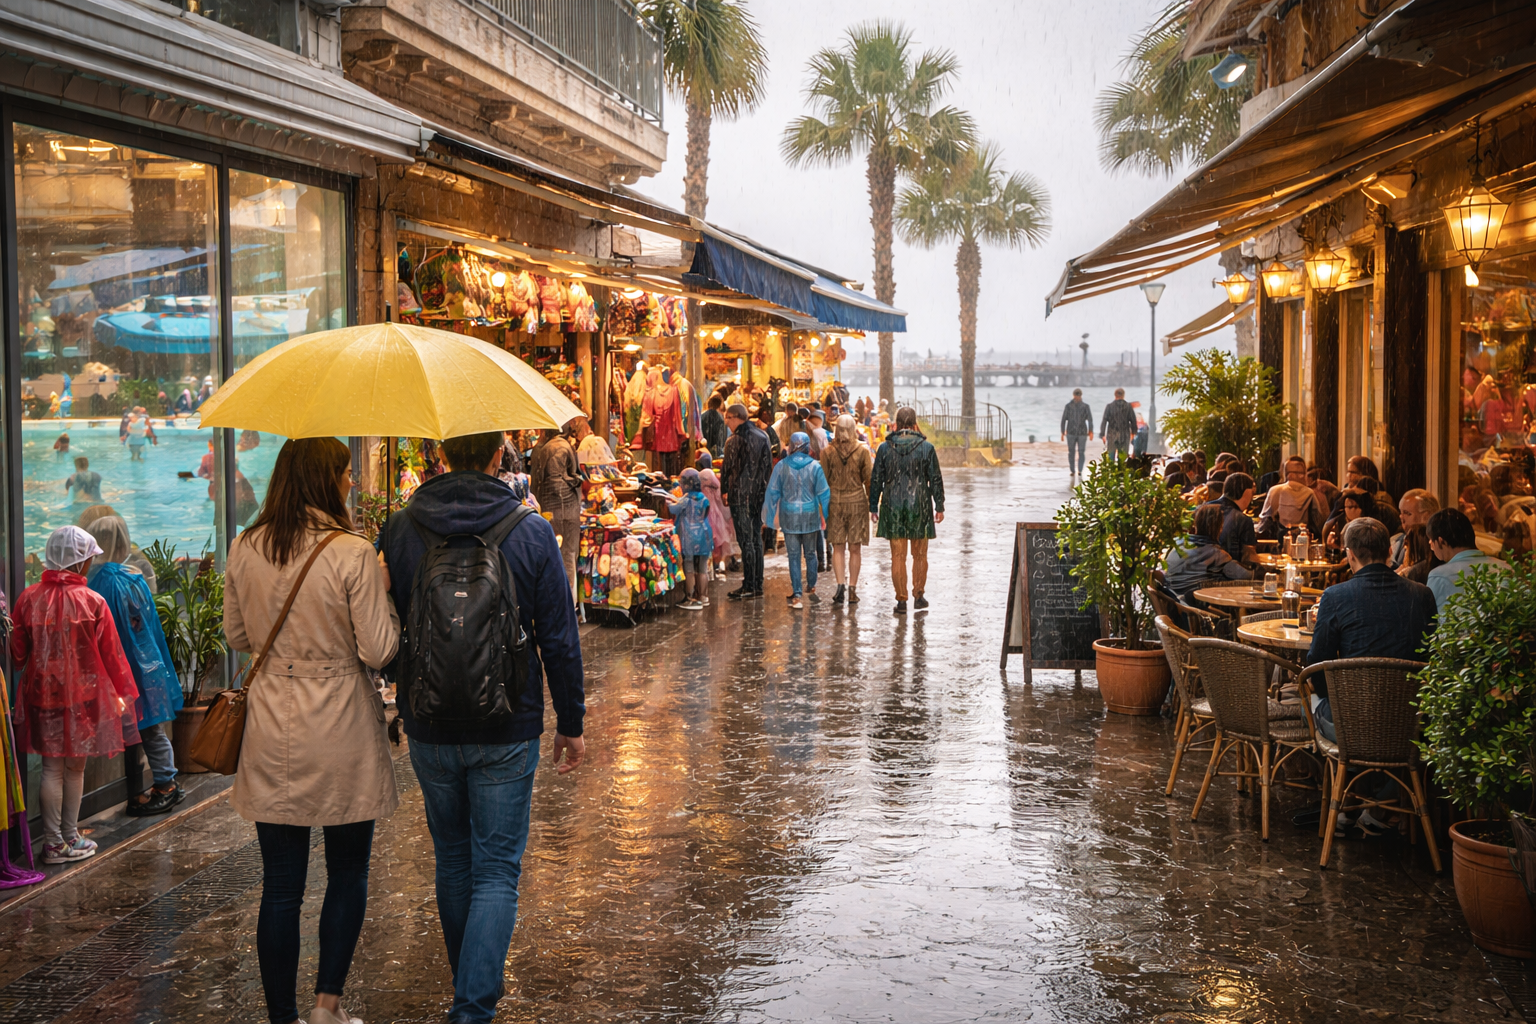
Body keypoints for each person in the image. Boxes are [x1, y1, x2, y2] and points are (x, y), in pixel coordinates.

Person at [378, 431, 585, 1024]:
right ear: (500, 456)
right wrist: (570, 720)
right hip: (508, 722)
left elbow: (383, 623)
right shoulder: (530, 530)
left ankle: (467, 985)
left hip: (429, 723)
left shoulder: (400, 528)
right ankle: (471, 1007)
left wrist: (402, 680)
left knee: (452, 859)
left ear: (441, 455)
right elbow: (560, 637)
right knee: (497, 868)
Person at [225, 438, 398, 1024]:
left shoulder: (245, 545)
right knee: (348, 869)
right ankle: (327, 1005)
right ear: (327, 480)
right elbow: (378, 648)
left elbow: (238, 637)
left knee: (280, 885)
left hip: (273, 723)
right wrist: (387, 595)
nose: (352, 482)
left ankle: (282, 1018)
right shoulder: (352, 552)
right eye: (347, 474)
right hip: (342, 722)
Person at [1303, 516, 1437, 836]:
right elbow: (1431, 657)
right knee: (1388, 727)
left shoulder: (1336, 596)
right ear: (1390, 550)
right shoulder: (1421, 595)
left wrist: (1331, 694)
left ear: (1349, 554)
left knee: (1313, 697)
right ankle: (1377, 804)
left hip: (1352, 725)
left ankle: (1348, 802)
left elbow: (1316, 661)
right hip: (1409, 724)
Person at [11, 526, 138, 864]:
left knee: (51, 768)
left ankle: (52, 843)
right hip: (84, 698)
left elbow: (18, 655)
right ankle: (70, 834)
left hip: (41, 696)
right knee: (75, 768)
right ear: (80, 562)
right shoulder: (93, 602)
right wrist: (124, 694)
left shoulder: (28, 598)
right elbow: (113, 656)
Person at [84, 514, 184, 817]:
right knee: (152, 725)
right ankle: (166, 782)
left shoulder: (96, 582)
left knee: (141, 728)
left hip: (118, 668)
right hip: (144, 666)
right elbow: (145, 626)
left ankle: (163, 785)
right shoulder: (132, 577)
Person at [869, 407, 945, 615]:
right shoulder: (926, 447)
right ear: (914, 424)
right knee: (920, 555)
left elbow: (876, 478)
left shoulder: (885, 448)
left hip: (892, 505)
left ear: (896, 424)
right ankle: (918, 595)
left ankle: (901, 600)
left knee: (897, 556)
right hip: (919, 505)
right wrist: (939, 506)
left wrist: (873, 505)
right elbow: (935, 479)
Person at [763, 432, 830, 609]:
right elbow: (824, 493)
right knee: (810, 553)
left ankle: (797, 594)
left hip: (789, 515)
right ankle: (812, 585)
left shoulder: (781, 466)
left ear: (791, 446)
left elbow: (772, 492)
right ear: (808, 446)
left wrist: (769, 516)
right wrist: (828, 516)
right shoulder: (816, 466)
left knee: (793, 556)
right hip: (810, 514)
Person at [722, 403, 773, 600]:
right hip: (758, 496)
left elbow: (727, 470)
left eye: (727, 418)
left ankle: (749, 585)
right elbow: (767, 468)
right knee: (756, 541)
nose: (726, 423)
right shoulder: (763, 436)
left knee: (746, 541)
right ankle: (757, 584)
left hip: (740, 497)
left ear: (735, 417)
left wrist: (725, 491)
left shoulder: (734, 441)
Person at [821, 414, 873, 605]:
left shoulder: (827, 452)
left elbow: (824, 482)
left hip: (835, 502)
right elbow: (868, 479)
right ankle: (852, 588)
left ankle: (840, 586)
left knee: (838, 547)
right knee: (855, 547)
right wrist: (872, 504)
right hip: (857, 502)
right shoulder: (863, 450)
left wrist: (822, 507)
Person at [528, 423, 583, 602]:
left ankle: (555, 601)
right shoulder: (562, 447)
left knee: (551, 556)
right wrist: (576, 479)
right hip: (564, 509)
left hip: (547, 510)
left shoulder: (540, 449)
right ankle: (566, 602)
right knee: (567, 555)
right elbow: (558, 481)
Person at [1163, 503, 1252, 601]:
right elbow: (1246, 576)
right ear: (1218, 527)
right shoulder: (1217, 554)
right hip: (1199, 608)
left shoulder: (1178, 543)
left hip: (1175, 602)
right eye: (1222, 525)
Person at [1425, 507, 1509, 608]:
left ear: (1441, 541)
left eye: (1431, 541)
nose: (1431, 546)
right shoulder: (1505, 567)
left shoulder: (1439, 576)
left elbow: (1429, 617)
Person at [668, 469, 715, 610]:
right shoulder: (703, 497)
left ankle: (691, 598)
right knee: (702, 568)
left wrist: (669, 499)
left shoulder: (685, 500)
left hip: (689, 536)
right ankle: (704, 597)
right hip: (704, 535)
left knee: (688, 566)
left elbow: (673, 510)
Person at [1257, 456, 1325, 537]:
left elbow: (1264, 520)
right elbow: (1318, 522)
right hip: (1301, 540)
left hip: (1277, 539)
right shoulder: (1310, 493)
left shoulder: (1274, 491)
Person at [695, 452, 738, 575]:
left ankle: (708, 565)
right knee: (717, 541)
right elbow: (720, 499)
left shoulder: (700, 479)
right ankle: (716, 563)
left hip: (704, 515)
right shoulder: (712, 478)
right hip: (715, 515)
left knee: (709, 540)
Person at [1209, 472, 1258, 563]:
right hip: (1228, 573)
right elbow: (1249, 557)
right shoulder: (1243, 520)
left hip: (1197, 570)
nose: (1252, 498)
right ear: (1247, 492)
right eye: (1252, 493)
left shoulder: (1201, 509)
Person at [1391, 489, 1440, 568]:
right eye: (1401, 512)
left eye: (1407, 513)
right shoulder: (1395, 541)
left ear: (1427, 516)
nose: (1401, 517)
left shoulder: (1437, 547)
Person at [1059, 388, 1093, 479]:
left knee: (1081, 451)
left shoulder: (1086, 406)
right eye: (1076, 395)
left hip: (1082, 432)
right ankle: (1072, 470)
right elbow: (1063, 420)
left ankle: (1080, 470)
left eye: (1078, 395)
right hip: (1071, 432)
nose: (1077, 397)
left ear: (1081, 396)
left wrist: (1091, 431)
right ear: (1073, 395)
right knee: (1071, 452)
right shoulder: (1068, 406)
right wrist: (1062, 432)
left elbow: (1090, 420)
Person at [1099, 387, 1136, 459]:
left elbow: (1104, 421)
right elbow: (1133, 421)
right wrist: (1133, 433)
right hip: (1124, 435)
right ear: (1123, 395)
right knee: (1122, 458)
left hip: (1112, 434)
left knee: (1111, 457)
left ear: (1115, 395)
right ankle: (1121, 469)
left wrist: (1102, 434)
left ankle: (1111, 469)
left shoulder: (1109, 406)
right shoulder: (1128, 406)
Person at [701, 393, 729, 457]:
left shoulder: (702, 416)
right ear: (719, 406)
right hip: (717, 452)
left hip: (703, 451)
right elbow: (722, 439)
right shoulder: (722, 419)